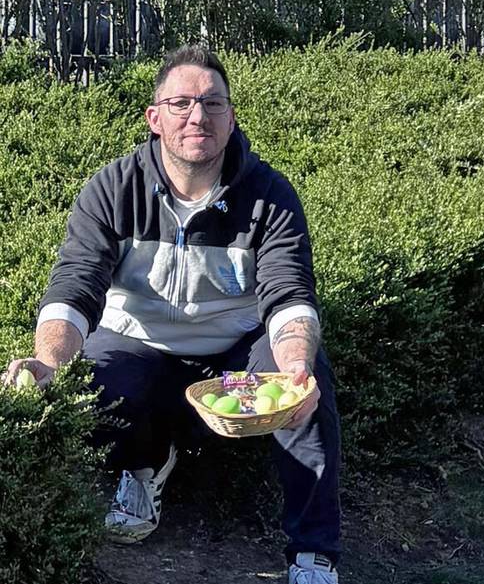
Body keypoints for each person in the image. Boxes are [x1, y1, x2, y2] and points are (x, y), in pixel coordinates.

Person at [4, 44, 343, 583]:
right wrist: (49, 363)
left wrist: (296, 362)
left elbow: (288, 294)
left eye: (212, 104)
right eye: (181, 103)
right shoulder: (112, 189)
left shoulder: (270, 196)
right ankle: (144, 464)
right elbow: (75, 288)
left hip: (234, 353)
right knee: (93, 382)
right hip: (139, 344)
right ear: (155, 118)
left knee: (307, 385)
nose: (197, 116)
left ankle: (313, 553)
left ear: (231, 118)